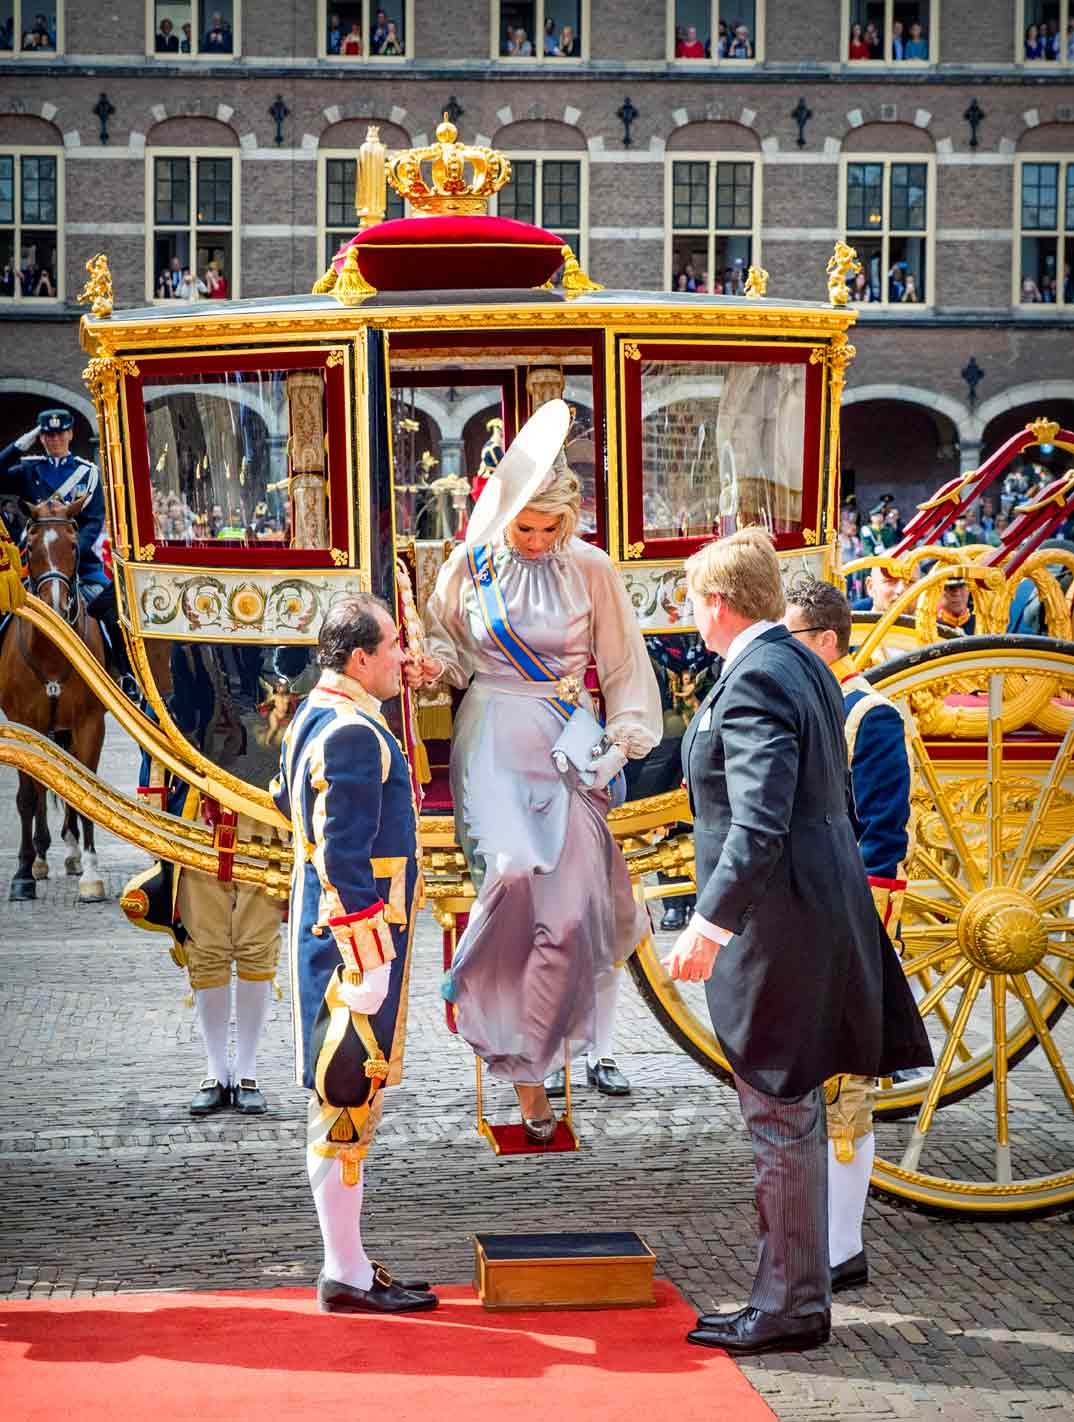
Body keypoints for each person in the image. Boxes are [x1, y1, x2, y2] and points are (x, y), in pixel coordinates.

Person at [666, 529, 930, 1355]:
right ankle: (798, 1294)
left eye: (691, 600)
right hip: (819, 908)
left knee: (778, 1115)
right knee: (796, 1116)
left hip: (776, 927)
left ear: (716, 604)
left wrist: (708, 926)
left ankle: (787, 1307)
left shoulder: (751, 680)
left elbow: (757, 823)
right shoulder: (802, 662)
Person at [417, 401, 662, 1135]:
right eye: (525, 527)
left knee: (565, 919)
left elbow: (622, 667)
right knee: (514, 872)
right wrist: (434, 663)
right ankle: (481, 1000)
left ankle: (533, 1060)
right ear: (505, 515)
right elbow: (450, 649)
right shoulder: (469, 565)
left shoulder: (592, 569)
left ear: (570, 520)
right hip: (491, 731)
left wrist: (623, 737)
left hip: (566, 742)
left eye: (550, 528)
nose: (536, 540)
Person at [271, 594, 437, 1315]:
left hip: (334, 936)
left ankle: (353, 1262)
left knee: (345, 1098)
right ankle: (344, 1272)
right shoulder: (350, 732)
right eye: (394, 643)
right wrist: (368, 958)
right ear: (360, 657)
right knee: (344, 1097)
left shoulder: (317, 713)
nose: (404, 654)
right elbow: (343, 856)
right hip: (352, 946)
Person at [783, 580, 912, 1296]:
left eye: (794, 638)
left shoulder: (873, 716)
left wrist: (850, 927)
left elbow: (883, 843)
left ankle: (842, 1247)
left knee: (847, 1090)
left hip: (850, 920)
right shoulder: (814, 707)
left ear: (826, 642)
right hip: (806, 915)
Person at [0, 409, 108, 605]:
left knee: (112, 606)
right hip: (33, 559)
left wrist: (72, 551)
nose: (55, 439)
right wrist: (18, 446)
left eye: (60, 433)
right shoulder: (29, 470)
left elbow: (93, 521)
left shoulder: (87, 473)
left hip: (78, 559)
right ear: (40, 438)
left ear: (70, 434)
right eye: (49, 435)